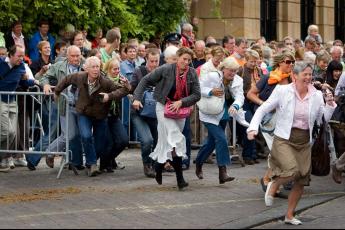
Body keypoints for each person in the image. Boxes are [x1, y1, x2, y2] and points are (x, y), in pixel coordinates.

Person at [247, 62, 336, 225]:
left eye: (310, 74)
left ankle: (289, 215)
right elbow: (263, 109)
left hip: (304, 140)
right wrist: (252, 128)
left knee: (301, 180)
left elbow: (322, 119)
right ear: (294, 76)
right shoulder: (282, 91)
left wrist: (330, 103)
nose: (308, 78)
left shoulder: (316, 95)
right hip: (284, 138)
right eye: (305, 74)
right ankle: (273, 183)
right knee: (291, 170)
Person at [132, 47, 201, 190]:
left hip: (179, 110)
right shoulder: (166, 69)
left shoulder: (192, 73)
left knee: (166, 143)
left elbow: (196, 95)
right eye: (184, 59)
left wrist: (182, 102)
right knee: (176, 140)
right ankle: (180, 179)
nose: (186, 62)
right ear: (178, 57)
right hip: (163, 107)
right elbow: (145, 80)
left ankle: (158, 166)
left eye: (189, 60)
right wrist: (137, 98)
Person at [54, 56, 130, 177]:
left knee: (100, 144)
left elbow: (123, 91)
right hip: (84, 113)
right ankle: (92, 164)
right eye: (93, 67)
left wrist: (109, 96)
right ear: (87, 69)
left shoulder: (105, 81)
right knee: (86, 135)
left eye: (97, 67)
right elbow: (67, 79)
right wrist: (57, 91)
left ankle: (90, 163)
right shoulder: (79, 76)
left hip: (100, 116)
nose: (96, 70)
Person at [195, 57, 243, 184]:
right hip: (209, 113)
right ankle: (223, 172)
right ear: (223, 68)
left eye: (235, 71)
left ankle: (199, 163)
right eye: (230, 70)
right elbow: (198, 88)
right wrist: (210, 91)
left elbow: (240, 96)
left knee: (211, 142)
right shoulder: (213, 76)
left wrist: (236, 105)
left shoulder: (238, 80)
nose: (232, 73)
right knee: (221, 139)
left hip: (224, 112)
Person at [0, 45, 37, 172]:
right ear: (10, 55)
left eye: (23, 56)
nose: (21, 59)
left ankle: (3, 157)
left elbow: (23, 83)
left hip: (12, 101)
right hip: (1, 100)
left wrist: (36, 82)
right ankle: (3, 157)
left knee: (14, 133)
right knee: (7, 131)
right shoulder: (1, 63)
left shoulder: (21, 66)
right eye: (19, 56)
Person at [130, 48, 160, 177]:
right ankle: (147, 164)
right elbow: (131, 89)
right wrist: (135, 99)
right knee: (147, 140)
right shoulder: (139, 71)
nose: (154, 64)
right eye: (151, 61)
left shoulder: (162, 72)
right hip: (139, 112)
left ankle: (154, 164)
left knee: (158, 140)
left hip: (156, 112)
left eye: (156, 61)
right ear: (146, 60)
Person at [101, 58, 130, 172]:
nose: (117, 71)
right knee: (109, 142)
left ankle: (109, 160)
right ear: (108, 70)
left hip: (114, 115)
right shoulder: (102, 81)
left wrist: (127, 87)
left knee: (123, 140)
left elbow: (127, 90)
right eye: (114, 69)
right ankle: (105, 164)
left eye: (118, 68)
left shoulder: (121, 80)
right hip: (103, 115)